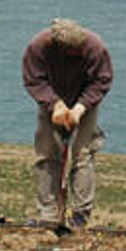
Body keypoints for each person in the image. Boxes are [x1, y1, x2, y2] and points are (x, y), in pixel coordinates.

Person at [21, 18, 113, 235]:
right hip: (51, 100)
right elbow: (34, 80)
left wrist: (80, 108)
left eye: (77, 51)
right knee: (47, 153)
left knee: (82, 154)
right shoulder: (38, 47)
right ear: (58, 46)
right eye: (70, 51)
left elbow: (101, 81)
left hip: (85, 102)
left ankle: (80, 215)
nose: (75, 54)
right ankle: (49, 213)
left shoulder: (95, 48)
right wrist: (55, 105)